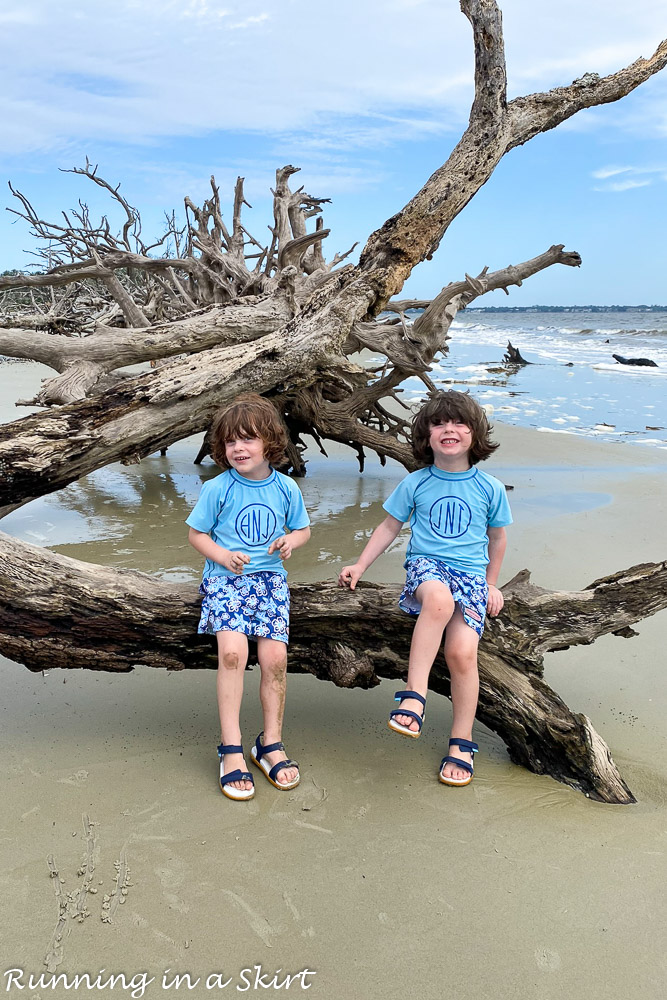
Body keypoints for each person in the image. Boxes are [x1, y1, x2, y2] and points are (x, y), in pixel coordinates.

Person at [338, 391, 511, 786]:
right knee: (437, 599)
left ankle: (461, 740)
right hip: (427, 568)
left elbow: (497, 540)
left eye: (459, 422)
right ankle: (414, 695)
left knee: (463, 654)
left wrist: (490, 585)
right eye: (439, 423)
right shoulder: (416, 482)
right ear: (426, 435)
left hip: (470, 576)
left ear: (476, 433)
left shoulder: (491, 488)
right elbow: (389, 527)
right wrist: (360, 564)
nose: (449, 429)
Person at [187, 394, 311, 801]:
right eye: (230, 442)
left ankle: (270, 743)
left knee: (275, 658)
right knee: (233, 654)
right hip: (225, 582)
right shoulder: (217, 489)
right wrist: (222, 555)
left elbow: (302, 530)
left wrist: (290, 542)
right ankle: (231, 748)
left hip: (270, 581)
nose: (238, 448)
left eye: (248, 440)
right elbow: (197, 535)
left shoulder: (286, 487)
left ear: (270, 443)